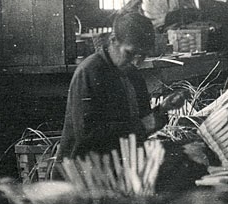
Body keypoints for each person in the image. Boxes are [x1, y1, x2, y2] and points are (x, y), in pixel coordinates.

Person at [56, 13, 187, 160]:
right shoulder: (90, 71)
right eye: (130, 53)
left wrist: (162, 109)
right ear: (113, 40)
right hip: (84, 170)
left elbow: (143, 123)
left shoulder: (133, 74)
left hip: (120, 165)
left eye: (142, 56)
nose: (137, 63)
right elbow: (88, 134)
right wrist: (141, 126)